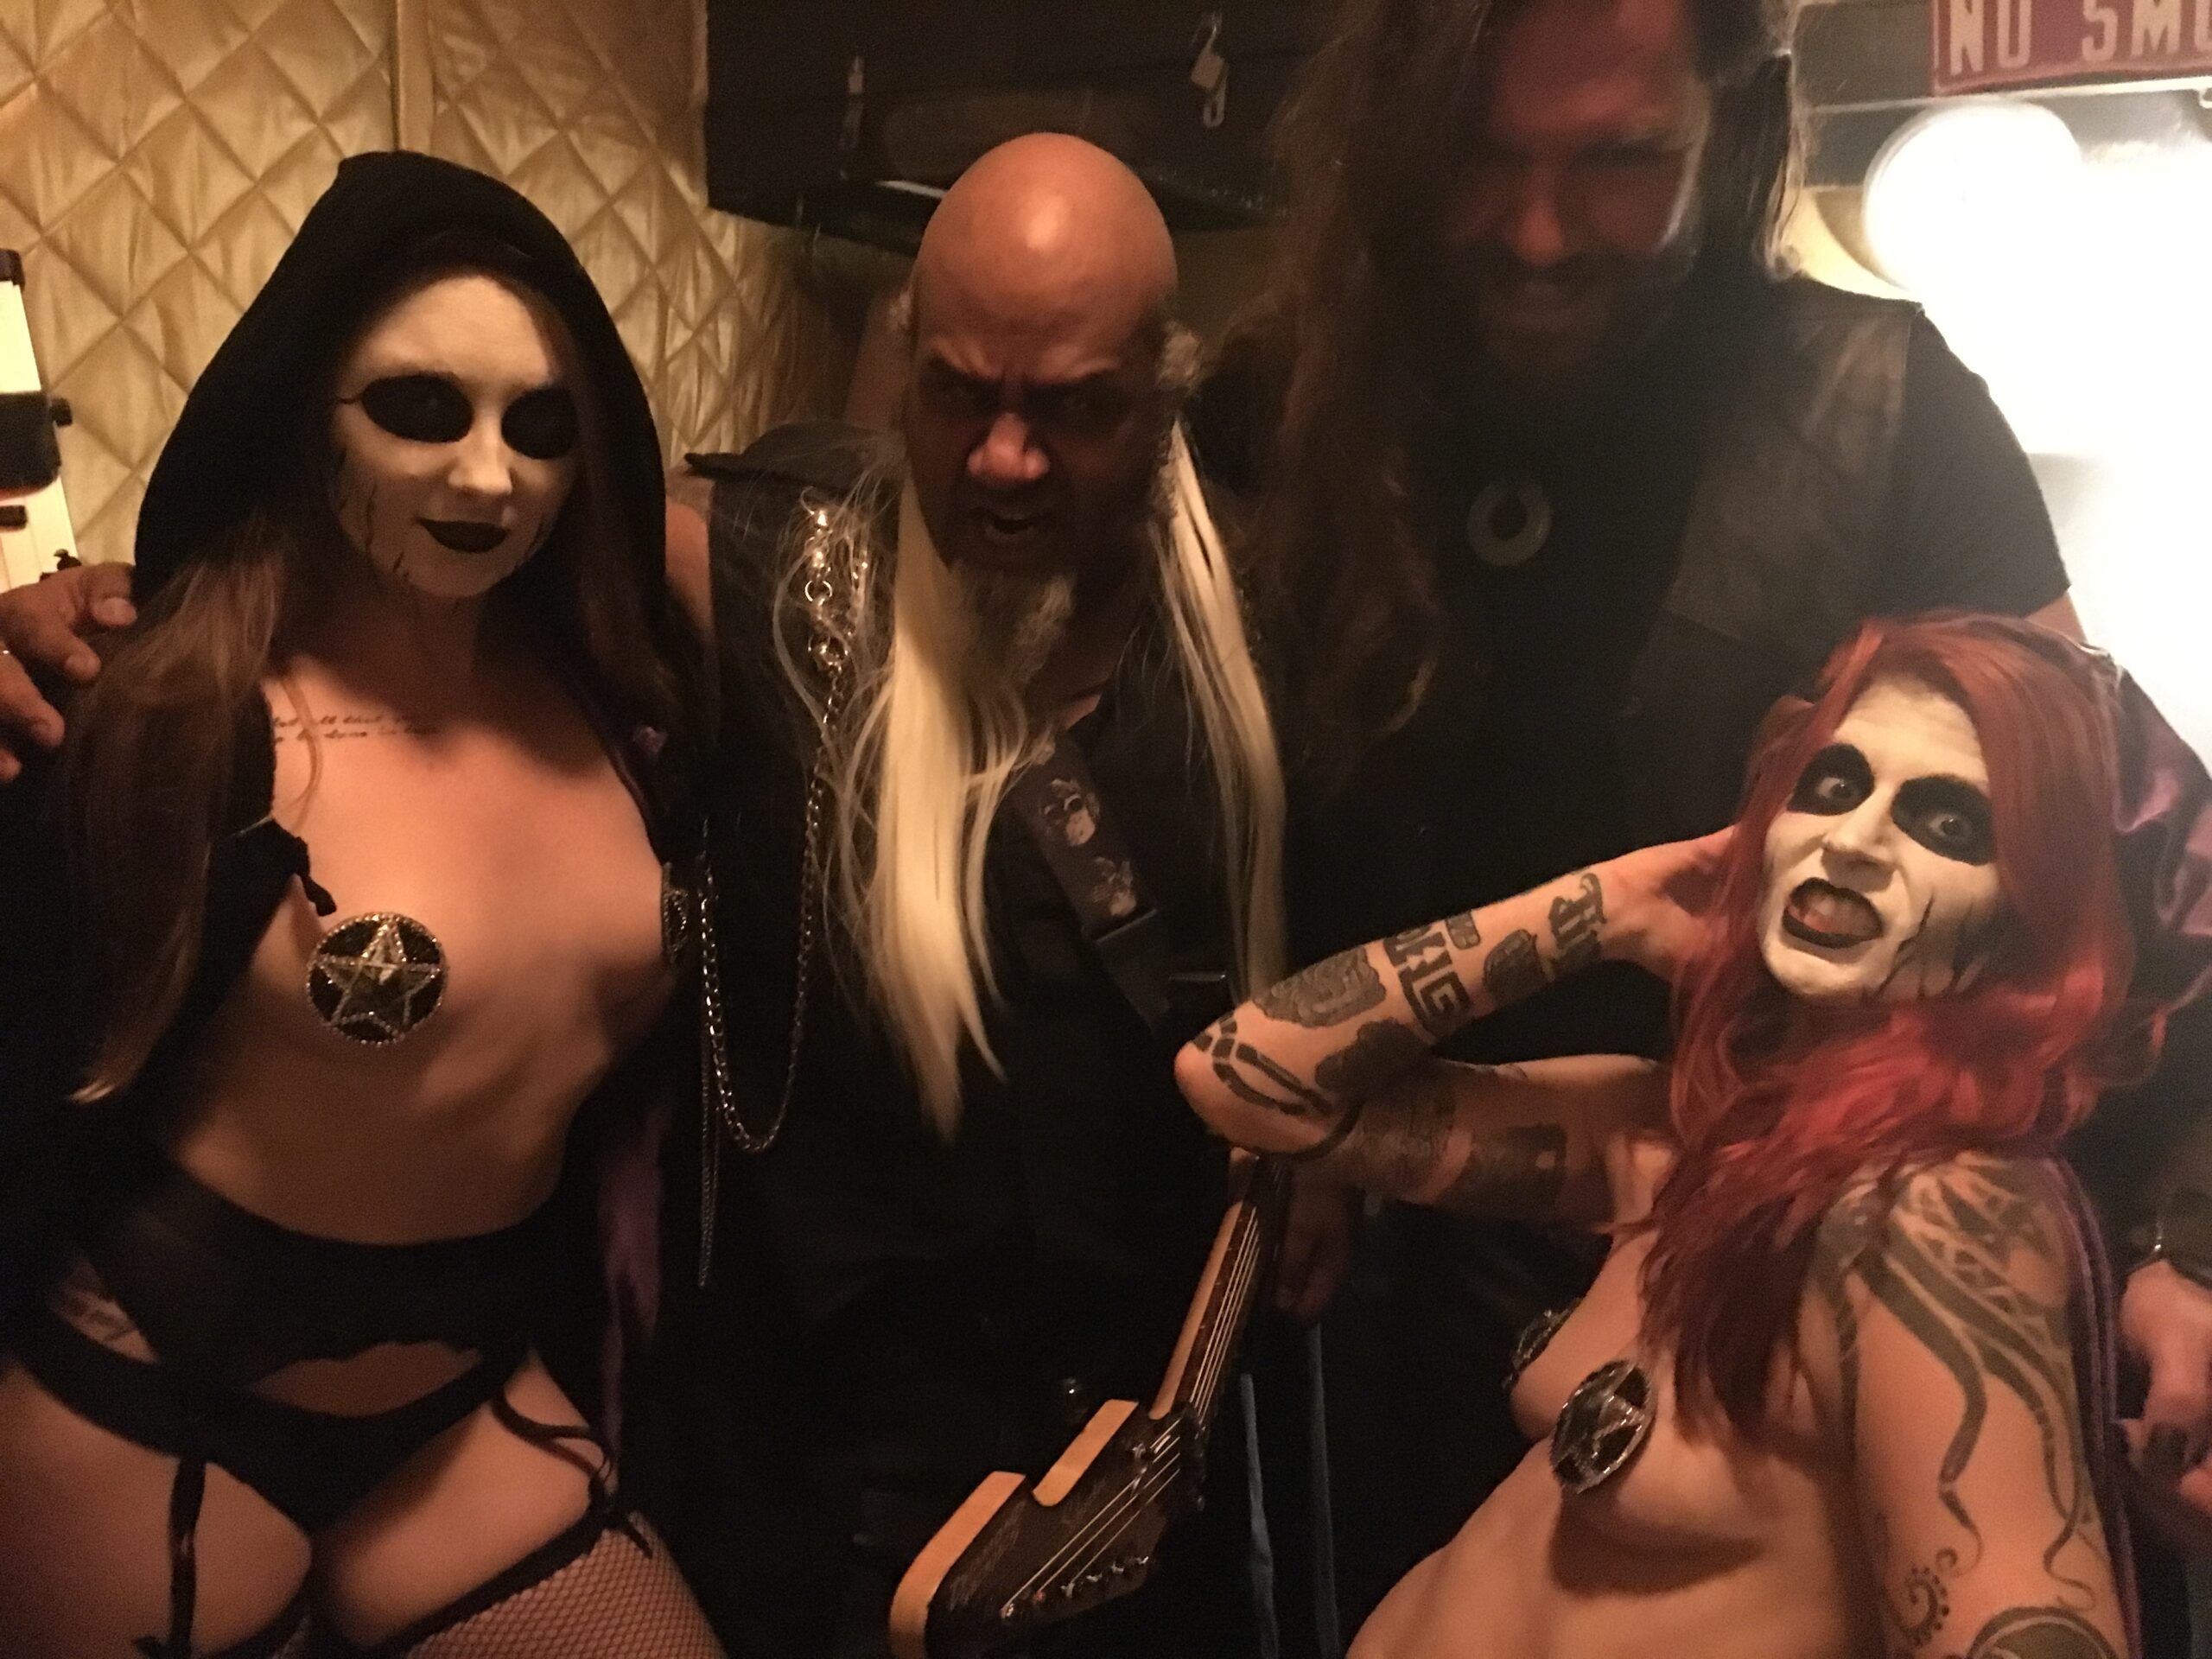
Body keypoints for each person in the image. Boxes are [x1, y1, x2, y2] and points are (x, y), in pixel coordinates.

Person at [1185, 0, 2212, 1623]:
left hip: (1780, 1238)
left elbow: (2122, 848)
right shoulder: (1296, 401)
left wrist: (2175, 1238)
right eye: (1486, 157)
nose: (1538, 231)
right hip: (1439, 1225)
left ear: (1733, 123)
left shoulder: (1881, 403)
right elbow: (1238, 817)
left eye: (1617, 162)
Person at [0, 153, 725, 1656]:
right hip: (148, 1412)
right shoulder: (181, 720)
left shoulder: (626, 701)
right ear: (302, 413)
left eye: (542, 426)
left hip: (466, 1403)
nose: (489, 476)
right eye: (419, 408)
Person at [1179, 613, 2156, 1659]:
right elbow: (1246, 1078)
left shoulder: (1932, 1209)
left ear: (2029, 913)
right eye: (1830, 785)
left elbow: (2027, 1616)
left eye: (1946, 822)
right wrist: (1609, 903)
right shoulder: (1678, 1138)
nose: (1853, 840)